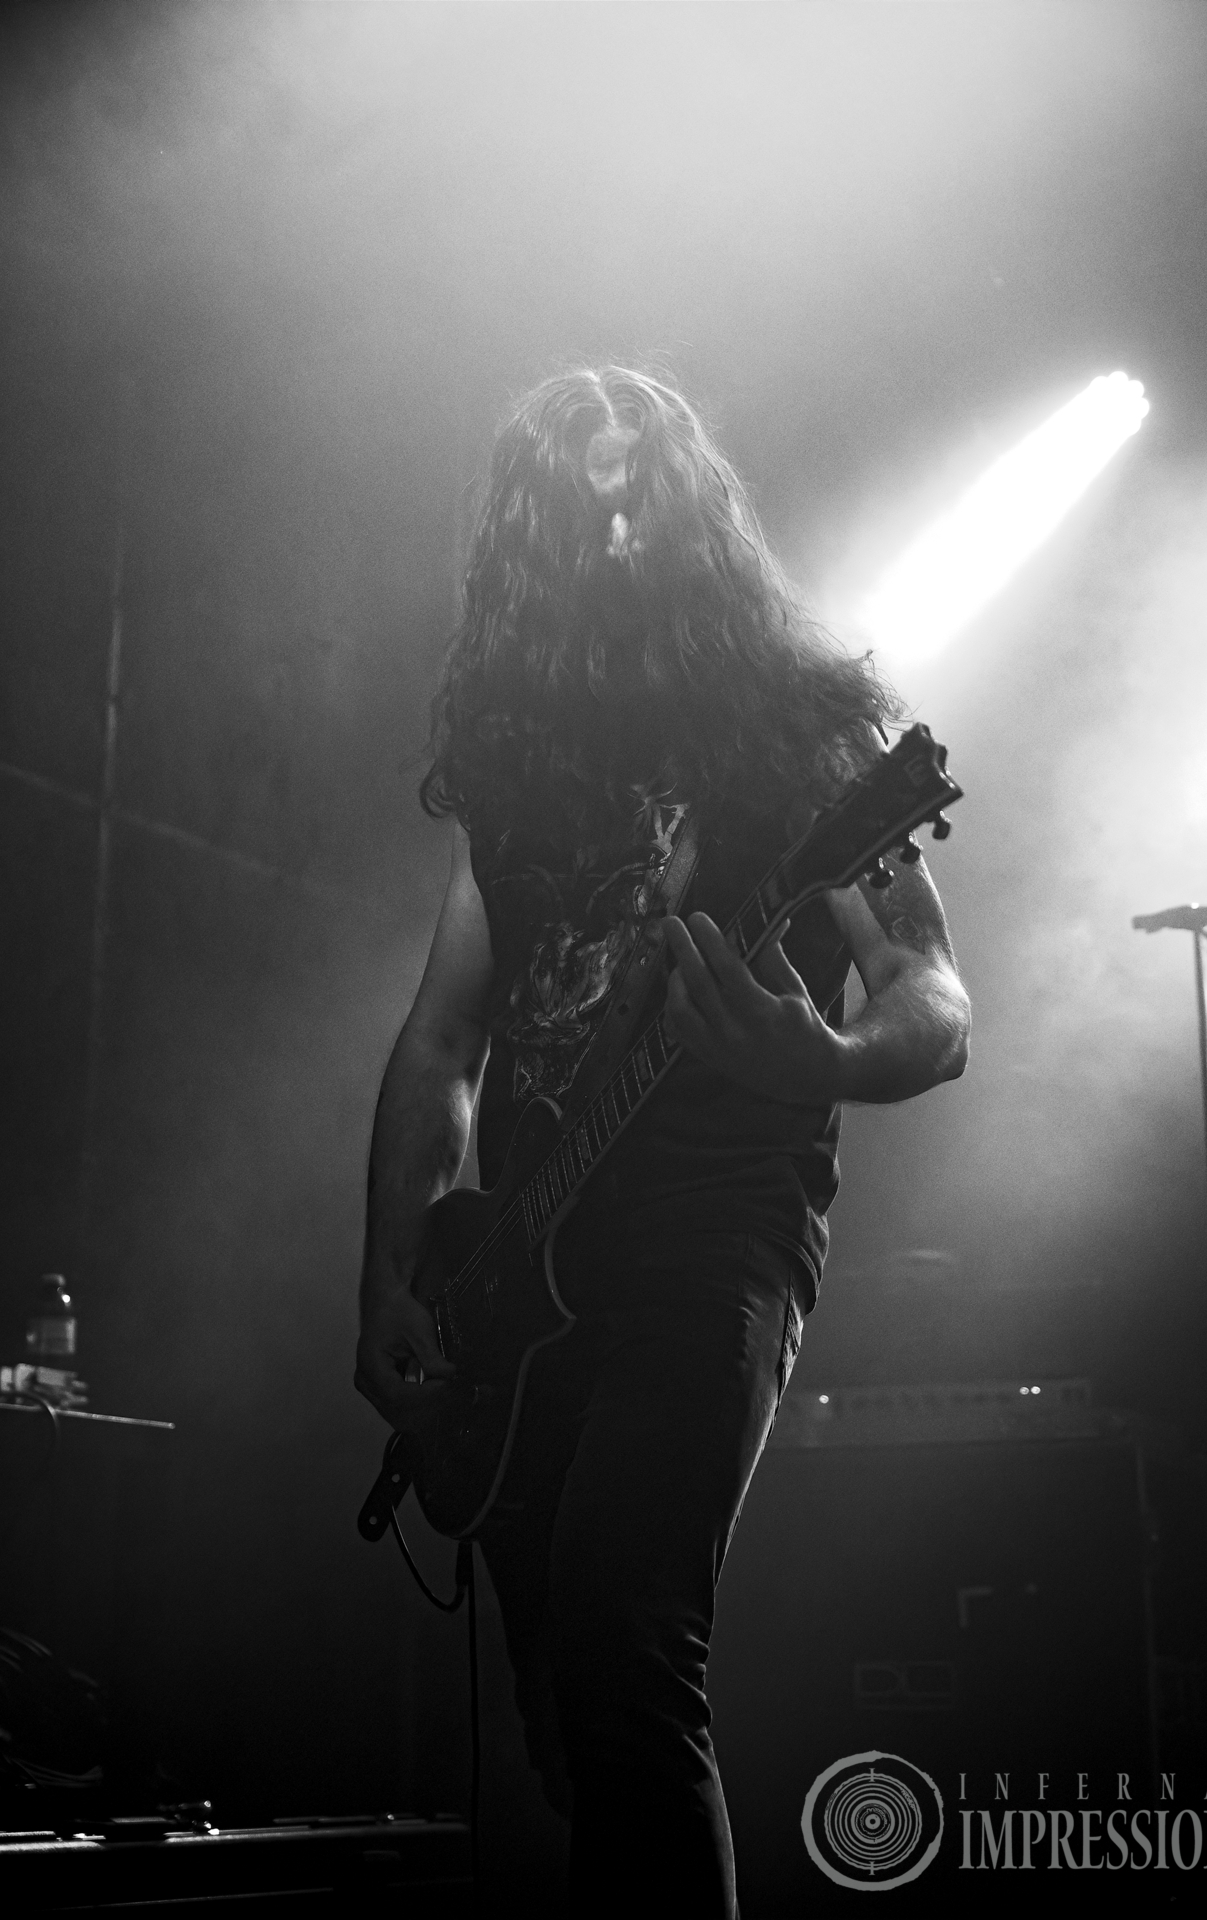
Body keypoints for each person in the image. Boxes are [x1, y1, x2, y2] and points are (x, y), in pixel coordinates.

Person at [355, 367, 970, 1916]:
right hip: (526, 1284)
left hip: (715, 1242)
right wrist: (391, 1281)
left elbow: (933, 995)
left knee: (628, 1648)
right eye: (584, 510)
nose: (620, 530)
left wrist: (825, 1055)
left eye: (644, 494)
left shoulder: (808, 736)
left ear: (696, 510)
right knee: (570, 1730)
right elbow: (441, 1043)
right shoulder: (517, 777)